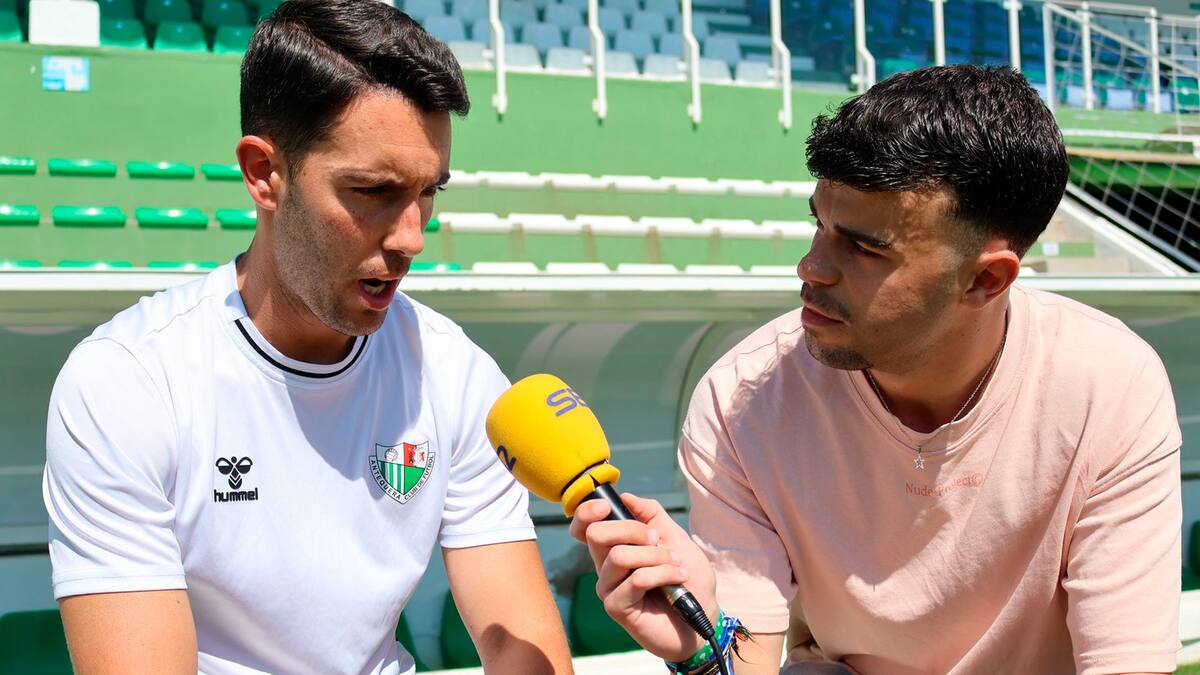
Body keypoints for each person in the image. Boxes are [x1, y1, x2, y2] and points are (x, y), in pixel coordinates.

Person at [571, 65, 1181, 675]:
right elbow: (746, 662)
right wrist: (701, 647)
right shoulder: (739, 401)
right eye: (819, 223)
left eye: (865, 248)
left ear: (985, 279)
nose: (812, 267)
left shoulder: (1110, 384)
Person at [42, 2, 573, 673]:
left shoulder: (456, 373)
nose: (412, 237)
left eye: (428, 193)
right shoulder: (125, 383)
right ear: (265, 173)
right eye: (374, 190)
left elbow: (516, 644)